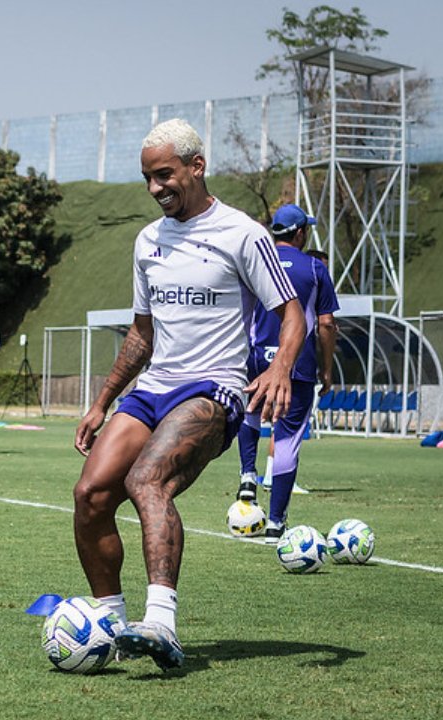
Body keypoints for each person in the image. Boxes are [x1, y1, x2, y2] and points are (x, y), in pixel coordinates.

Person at [72, 118, 305, 670]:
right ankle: (111, 622)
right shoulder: (147, 241)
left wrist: (281, 369)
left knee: (146, 481)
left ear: (196, 166)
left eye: (164, 175)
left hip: (212, 387)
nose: (155, 188)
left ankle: (162, 624)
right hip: (153, 388)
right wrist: (102, 402)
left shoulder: (242, 233)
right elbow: (142, 333)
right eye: (148, 179)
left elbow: (292, 312)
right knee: (91, 495)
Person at [236, 204, 339, 539]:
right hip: (296, 363)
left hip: (255, 358)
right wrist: (326, 369)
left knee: (250, 414)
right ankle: (276, 522)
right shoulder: (315, 268)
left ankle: (247, 474)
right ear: (300, 233)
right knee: (287, 439)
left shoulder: (256, 262)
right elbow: (326, 323)